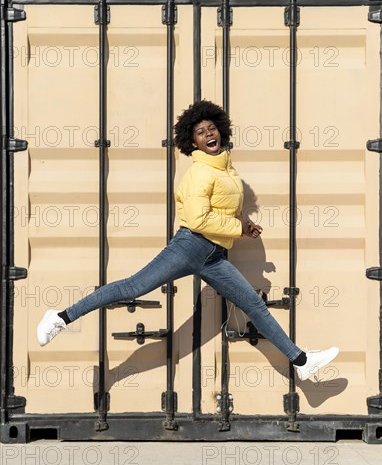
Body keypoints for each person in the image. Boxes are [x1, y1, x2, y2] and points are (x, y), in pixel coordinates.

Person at [37, 100, 339, 381]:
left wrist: (243, 225)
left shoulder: (227, 170)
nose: (208, 134)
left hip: (214, 255)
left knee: (254, 306)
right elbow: (198, 220)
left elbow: (220, 210)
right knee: (132, 287)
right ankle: (61, 317)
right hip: (190, 246)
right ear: (192, 141)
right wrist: (236, 226)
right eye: (200, 132)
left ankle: (301, 362)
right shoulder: (199, 173)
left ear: (221, 132)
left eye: (211, 128)